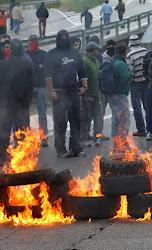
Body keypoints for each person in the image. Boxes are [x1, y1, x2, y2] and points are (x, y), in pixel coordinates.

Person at [44, 30, 88, 158]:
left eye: (65, 37)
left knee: (76, 120)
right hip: (58, 92)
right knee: (60, 121)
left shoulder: (75, 53)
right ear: (58, 39)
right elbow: (47, 75)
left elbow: (82, 71)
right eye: (61, 37)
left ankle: (76, 148)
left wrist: (84, 86)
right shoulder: (51, 54)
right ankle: (61, 149)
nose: (63, 39)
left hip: (73, 91)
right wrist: (51, 91)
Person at [0, 39, 33, 163]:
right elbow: (30, 85)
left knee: (5, 133)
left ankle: (4, 158)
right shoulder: (26, 63)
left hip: (10, 105)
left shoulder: (4, 65)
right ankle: (20, 157)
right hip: (17, 105)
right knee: (19, 133)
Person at [103, 43, 131, 138]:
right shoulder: (121, 64)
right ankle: (122, 140)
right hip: (120, 94)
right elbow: (126, 77)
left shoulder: (112, 61)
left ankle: (115, 140)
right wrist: (130, 74)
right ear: (125, 52)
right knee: (123, 118)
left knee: (115, 116)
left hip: (111, 94)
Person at [27, 35, 49, 147]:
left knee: (42, 114)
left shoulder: (44, 55)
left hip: (41, 87)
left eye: (35, 41)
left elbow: (48, 71)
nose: (34, 43)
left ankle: (44, 136)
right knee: (25, 113)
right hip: (28, 88)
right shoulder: (25, 55)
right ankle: (26, 137)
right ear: (29, 42)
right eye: (32, 41)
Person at [81, 42, 104, 147]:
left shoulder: (96, 61)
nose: (98, 52)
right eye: (96, 50)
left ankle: (97, 136)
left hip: (96, 93)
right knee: (87, 117)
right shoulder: (85, 62)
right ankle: (85, 138)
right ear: (92, 51)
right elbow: (81, 77)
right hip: (87, 95)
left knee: (98, 116)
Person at [126, 34, 147, 137]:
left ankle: (141, 130)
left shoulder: (129, 55)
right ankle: (150, 129)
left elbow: (130, 71)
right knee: (148, 106)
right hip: (146, 82)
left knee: (137, 108)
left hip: (135, 84)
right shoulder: (145, 51)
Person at [100, 39, 116, 117]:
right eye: (109, 46)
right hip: (104, 88)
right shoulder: (102, 58)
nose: (111, 48)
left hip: (113, 88)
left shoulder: (116, 57)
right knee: (102, 109)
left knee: (115, 110)